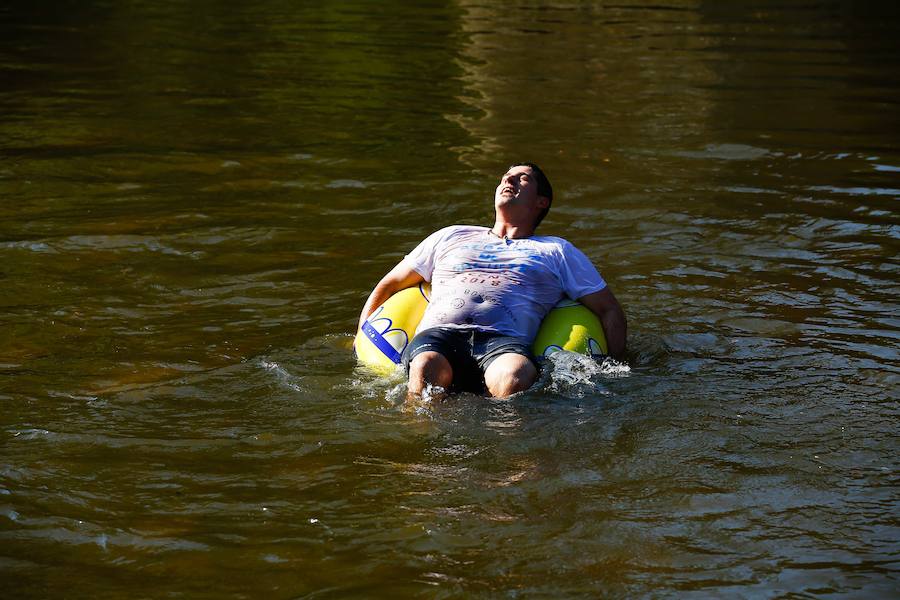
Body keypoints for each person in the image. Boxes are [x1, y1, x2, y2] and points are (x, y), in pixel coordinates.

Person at [357, 163, 626, 398]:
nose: (507, 181)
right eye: (505, 177)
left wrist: (615, 368)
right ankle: (418, 447)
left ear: (541, 202)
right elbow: (390, 285)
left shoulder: (557, 250)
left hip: (505, 341)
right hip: (441, 334)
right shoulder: (451, 235)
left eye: (522, 178)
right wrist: (361, 338)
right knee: (426, 367)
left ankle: (511, 452)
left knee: (514, 378)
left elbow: (609, 309)